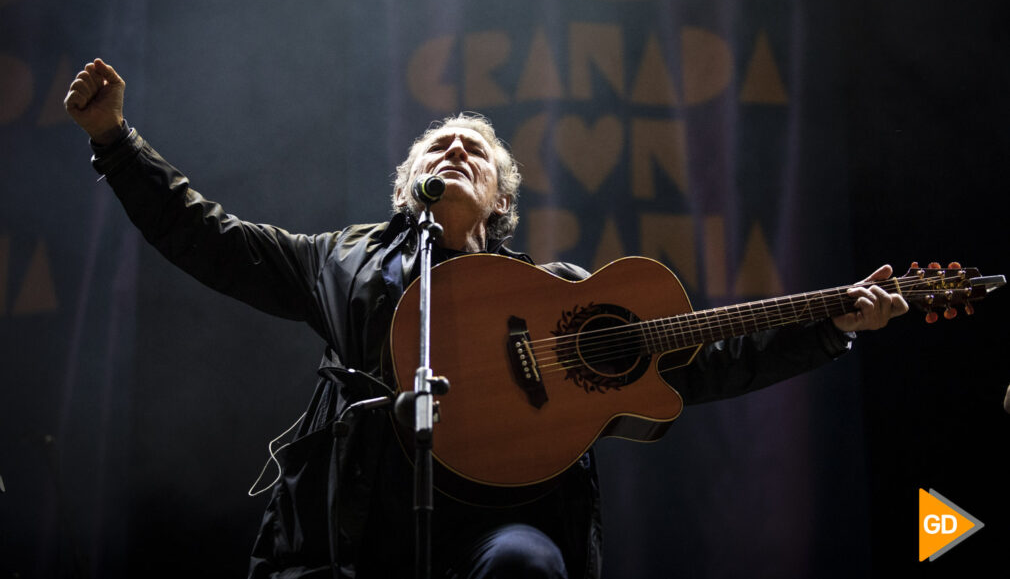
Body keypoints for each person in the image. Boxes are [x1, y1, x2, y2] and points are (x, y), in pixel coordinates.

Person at [65, 59, 908, 579]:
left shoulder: (567, 294)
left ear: (500, 197)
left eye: (475, 149)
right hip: (357, 522)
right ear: (406, 188)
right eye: (438, 146)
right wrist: (113, 140)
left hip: (507, 522)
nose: (455, 150)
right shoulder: (339, 259)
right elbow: (208, 238)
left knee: (526, 567)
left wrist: (833, 325)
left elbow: (704, 363)